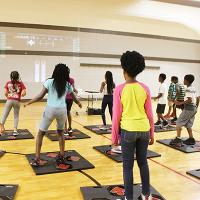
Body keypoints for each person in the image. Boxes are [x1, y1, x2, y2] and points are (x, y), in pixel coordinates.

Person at [112, 51, 154, 200]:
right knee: (143, 163)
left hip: (128, 132)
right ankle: (146, 194)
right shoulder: (145, 88)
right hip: (144, 131)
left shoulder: (119, 89)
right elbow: (150, 114)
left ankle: (128, 198)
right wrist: (152, 133)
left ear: (124, 70)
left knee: (127, 167)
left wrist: (114, 138)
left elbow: (116, 115)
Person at [24, 63, 82, 166]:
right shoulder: (67, 84)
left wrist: (29, 102)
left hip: (50, 110)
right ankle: (62, 155)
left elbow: (40, 96)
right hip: (62, 110)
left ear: (55, 71)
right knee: (60, 133)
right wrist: (79, 103)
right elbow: (73, 97)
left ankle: (37, 157)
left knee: (41, 133)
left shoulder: (49, 82)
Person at [170, 74, 199, 146]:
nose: (183, 81)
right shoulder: (193, 88)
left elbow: (189, 100)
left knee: (179, 122)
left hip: (189, 108)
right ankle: (191, 139)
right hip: (193, 108)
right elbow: (198, 98)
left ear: (186, 80)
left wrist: (179, 103)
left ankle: (178, 139)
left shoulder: (188, 89)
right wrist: (196, 107)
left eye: (184, 79)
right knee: (188, 124)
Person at [0, 71, 26, 136]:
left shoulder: (8, 83)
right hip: (17, 101)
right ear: (18, 76)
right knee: (16, 116)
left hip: (9, 100)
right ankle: (15, 130)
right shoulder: (21, 83)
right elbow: (23, 93)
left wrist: (9, 97)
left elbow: (5, 93)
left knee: (5, 114)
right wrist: (21, 93)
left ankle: (1, 128)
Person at [64, 70, 78, 135]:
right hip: (71, 99)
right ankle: (70, 127)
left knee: (64, 113)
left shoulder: (62, 80)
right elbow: (73, 89)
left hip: (65, 99)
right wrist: (75, 91)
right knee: (68, 112)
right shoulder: (72, 80)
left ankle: (65, 129)